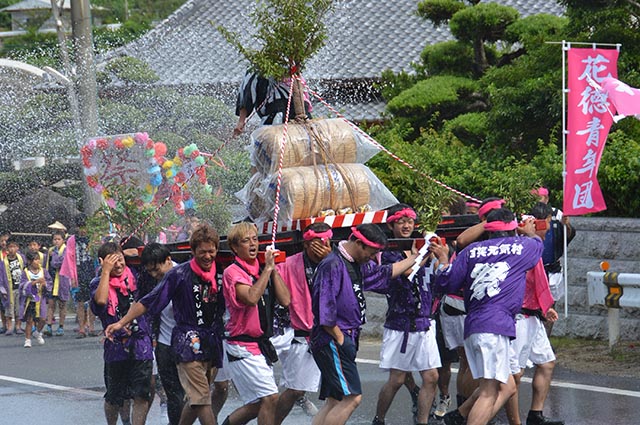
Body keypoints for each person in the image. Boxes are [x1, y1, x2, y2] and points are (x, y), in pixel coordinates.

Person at [431, 208, 542, 425]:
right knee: (489, 392)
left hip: (473, 325)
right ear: (513, 226)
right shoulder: (522, 247)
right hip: (496, 325)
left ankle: (459, 414)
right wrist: (529, 230)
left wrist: (444, 259)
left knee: (494, 386)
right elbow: (538, 244)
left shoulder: (471, 250)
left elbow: (445, 283)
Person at [106, 224, 225, 425]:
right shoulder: (178, 275)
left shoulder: (220, 271)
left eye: (211, 251)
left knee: (197, 397)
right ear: (193, 251)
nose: (207, 256)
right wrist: (121, 322)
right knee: (197, 397)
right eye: (202, 252)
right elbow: (146, 301)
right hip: (183, 343)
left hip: (211, 342)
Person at [310, 223, 420, 425]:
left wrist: (416, 257)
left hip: (342, 336)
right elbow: (324, 309)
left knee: (335, 400)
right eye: (372, 252)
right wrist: (341, 338)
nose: (373, 258)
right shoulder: (332, 264)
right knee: (352, 398)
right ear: (359, 243)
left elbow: (384, 273)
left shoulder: (354, 263)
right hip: (334, 337)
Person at [371, 205, 441, 425]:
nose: (406, 225)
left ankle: (422, 421)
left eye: (409, 221)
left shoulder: (420, 248)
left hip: (424, 321)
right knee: (397, 379)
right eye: (400, 221)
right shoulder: (389, 251)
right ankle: (379, 419)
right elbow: (408, 272)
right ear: (391, 225)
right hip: (400, 324)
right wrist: (423, 254)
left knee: (431, 377)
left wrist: (432, 251)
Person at [220, 221, 291, 425]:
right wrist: (267, 270)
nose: (253, 244)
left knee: (257, 404)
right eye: (245, 241)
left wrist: (273, 270)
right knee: (271, 397)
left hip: (259, 345)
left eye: (255, 239)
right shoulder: (233, 272)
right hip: (242, 345)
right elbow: (250, 297)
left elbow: (286, 300)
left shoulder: (262, 269)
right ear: (234, 247)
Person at [505, 203, 564, 425]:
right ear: (538, 222)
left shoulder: (532, 244)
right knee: (515, 374)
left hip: (533, 314)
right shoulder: (522, 245)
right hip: (519, 316)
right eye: (548, 221)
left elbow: (536, 281)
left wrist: (544, 306)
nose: (549, 227)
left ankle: (535, 415)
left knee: (547, 362)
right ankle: (514, 422)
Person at [273, 222, 332, 424]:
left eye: (325, 241)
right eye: (316, 242)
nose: (321, 246)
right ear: (305, 244)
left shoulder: (336, 262)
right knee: (295, 390)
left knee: (340, 390)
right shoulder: (289, 264)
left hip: (333, 332)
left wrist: (330, 259)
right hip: (301, 333)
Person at [91, 242, 154, 425]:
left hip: (141, 342)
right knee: (114, 397)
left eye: (120, 260)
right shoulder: (98, 283)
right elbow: (101, 301)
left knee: (142, 394)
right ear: (102, 262)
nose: (118, 265)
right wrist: (105, 271)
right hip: (116, 346)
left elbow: (149, 258)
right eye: (113, 262)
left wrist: (132, 253)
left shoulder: (136, 275)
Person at [532, 187, 576, 336]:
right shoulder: (527, 215)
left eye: (541, 197)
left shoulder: (557, 215)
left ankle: (546, 337)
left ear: (547, 199)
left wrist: (566, 225)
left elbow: (568, 235)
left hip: (552, 268)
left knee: (550, 304)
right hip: (533, 267)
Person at [233, 71, 313, 136]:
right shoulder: (257, 67)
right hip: (275, 112)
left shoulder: (292, 64)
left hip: (299, 111)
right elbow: (247, 92)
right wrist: (241, 121)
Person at [60, 213, 98, 338]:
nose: (82, 230)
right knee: (80, 302)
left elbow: (98, 256)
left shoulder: (93, 238)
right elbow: (69, 260)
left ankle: (91, 327)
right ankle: (82, 328)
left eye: (84, 227)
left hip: (92, 271)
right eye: (80, 227)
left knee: (93, 300)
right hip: (79, 272)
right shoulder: (72, 240)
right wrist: (72, 277)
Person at [19, 250, 52, 348]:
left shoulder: (43, 271)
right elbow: (22, 285)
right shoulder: (25, 272)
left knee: (42, 318)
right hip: (30, 299)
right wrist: (35, 282)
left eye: (38, 259)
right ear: (30, 261)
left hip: (40, 298)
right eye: (35, 260)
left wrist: (45, 284)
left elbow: (49, 281)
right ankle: (27, 339)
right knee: (30, 320)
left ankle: (37, 332)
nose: (38, 262)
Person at [44, 229, 69, 337]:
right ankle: (49, 325)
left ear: (63, 240)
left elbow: (57, 263)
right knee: (51, 304)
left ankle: (61, 326)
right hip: (52, 279)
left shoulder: (66, 250)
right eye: (55, 239)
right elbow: (47, 265)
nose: (56, 241)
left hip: (63, 279)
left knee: (62, 304)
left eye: (59, 239)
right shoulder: (50, 251)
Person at [1, 238, 26, 335]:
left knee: (18, 308)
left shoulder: (21, 258)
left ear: (18, 248)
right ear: (7, 249)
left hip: (19, 287)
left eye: (14, 247)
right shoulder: (3, 262)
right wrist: (3, 290)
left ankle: (18, 326)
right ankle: (9, 327)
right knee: (9, 309)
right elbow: (1, 277)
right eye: (10, 247)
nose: (12, 249)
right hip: (9, 289)